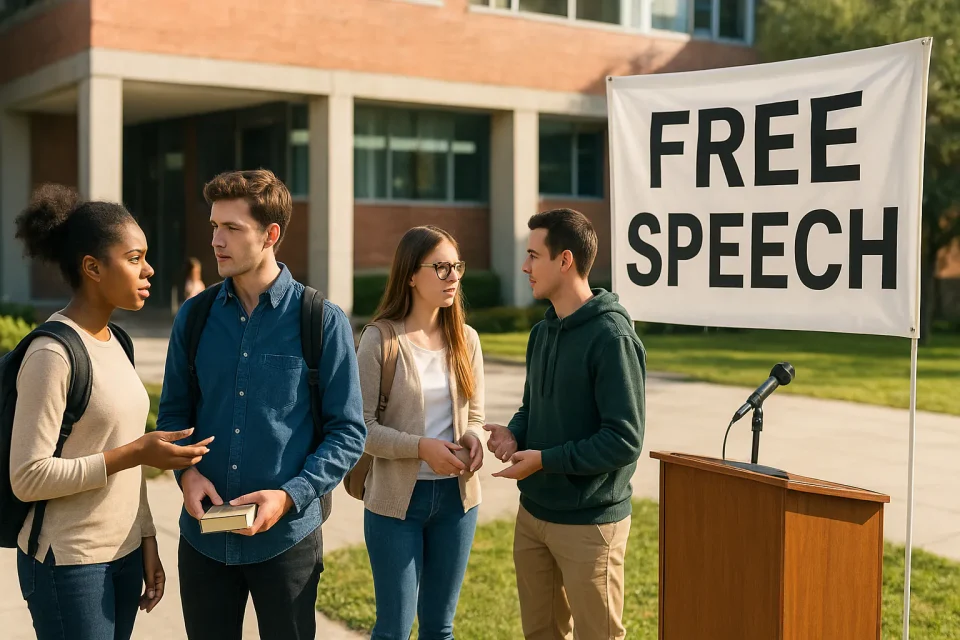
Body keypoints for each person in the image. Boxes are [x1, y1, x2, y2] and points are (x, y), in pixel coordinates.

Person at [157, 169, 366, 640]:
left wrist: (291, 495)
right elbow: (173, 416)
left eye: (232, 228)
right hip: (203, 538)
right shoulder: (194, 317)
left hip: (287, 541)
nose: (216, 240)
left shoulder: (322, 321)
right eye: (214, 226)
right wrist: (185, 474)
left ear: (271, 234)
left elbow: (348, 432)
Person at [10, 184, 212, 640]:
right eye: (135, 257)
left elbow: (121, 452)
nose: (150, 269)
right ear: (93, 267)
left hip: (121, 556)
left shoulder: (116, 341)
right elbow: (27, 477)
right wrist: (138, 452)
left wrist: (145, 536)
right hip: (69, 564)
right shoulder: (53, 353)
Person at [484, 208, 646, 640]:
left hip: (591, 522)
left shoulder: (611, 337)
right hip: (534, 514)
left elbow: (624, 440)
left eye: (534, 255)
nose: (525, 266)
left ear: (565, 260)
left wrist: (546, 460)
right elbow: (532, 406)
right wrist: (515, 431)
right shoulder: (542, 332)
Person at [356, 226, 486, 639]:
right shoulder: (379, 339)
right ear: (411, 274)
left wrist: (474, 439)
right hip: (396, 505)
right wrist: (421, 448)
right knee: (393, 630)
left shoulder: (467, 339)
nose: (454, 278)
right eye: (441, 268)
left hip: (458, 502)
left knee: (439, 628)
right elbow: (360, 429)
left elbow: (477, 416)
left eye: (457, 267)